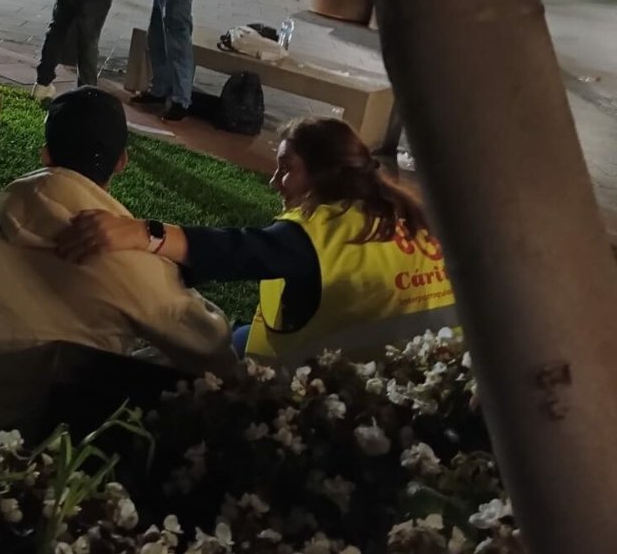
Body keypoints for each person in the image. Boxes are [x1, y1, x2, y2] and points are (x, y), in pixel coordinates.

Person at [0, 87, 235, 438]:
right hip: (40, 458)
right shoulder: (128, 260)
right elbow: (210, 345)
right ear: (122, 161)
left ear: (46, 155)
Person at [55, 117, 458, 370]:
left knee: (186, 360)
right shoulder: (406, 214)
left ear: (325, 173)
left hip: (339, 380)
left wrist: (143, 232)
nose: (274, 182)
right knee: (242, 334)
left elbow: (239, 251)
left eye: (287, 170)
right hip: (427, 367)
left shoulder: (320, 235)